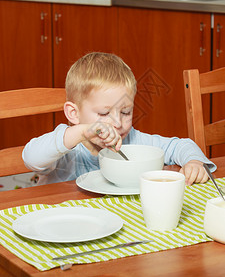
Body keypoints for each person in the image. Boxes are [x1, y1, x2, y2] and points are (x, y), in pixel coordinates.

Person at [22, 52, 216, 186]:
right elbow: (31, 159)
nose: (117, 123)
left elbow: (180, 146)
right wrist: (81, 132)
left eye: (125, 112)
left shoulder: (133, 140)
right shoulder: (67, 144)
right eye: (104, 114)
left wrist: (194, 163)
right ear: (74, 114)